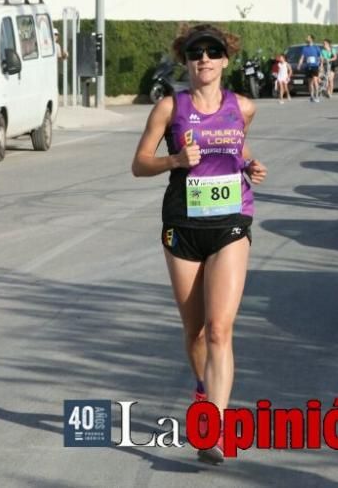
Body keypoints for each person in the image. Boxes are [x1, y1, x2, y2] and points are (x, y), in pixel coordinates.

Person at [131, 23, 267, 465]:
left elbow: (233, 151)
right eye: (196, 52)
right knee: (195, 332)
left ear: (225, 60)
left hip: (231, 220)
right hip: (183, 224)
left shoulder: (243, 107)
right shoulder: (170, 108)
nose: (204, 59)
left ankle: (215, 427)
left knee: (220, 329)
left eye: (212, 52)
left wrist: (249, 165)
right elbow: (139, 164)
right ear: (186, 60)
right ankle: (203, 389)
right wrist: (174, 159)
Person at [297, 34, 323, 102]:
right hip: (308, 66)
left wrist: (321, 65)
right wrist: (299, 64)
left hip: (315, 66)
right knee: (310, 82)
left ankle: (317, 96)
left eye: (308, 37)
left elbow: (320, 57)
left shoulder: (316, 48)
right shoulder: (305, 48)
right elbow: (302, 57)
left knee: (315, 81)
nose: (306, 38)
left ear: (311, 39)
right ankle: (311, 96)